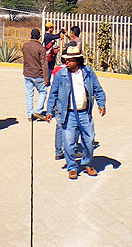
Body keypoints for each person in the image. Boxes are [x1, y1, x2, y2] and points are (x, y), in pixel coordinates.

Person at [45, 45, 106, 180]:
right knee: (69, 142)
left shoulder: (88, 73)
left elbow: (98, 89)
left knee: (89, 140)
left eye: (70, 60)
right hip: (68, 114)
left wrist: (101, 104)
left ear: (77, 60)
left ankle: (87, 163)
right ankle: (72, 167)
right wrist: (49, 111)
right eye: (66, 59)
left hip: (84, 113)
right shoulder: (61, 75)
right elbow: (53, 94)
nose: (67, 62)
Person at [23, 28, 50, 121]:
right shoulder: (41, 48)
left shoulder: (25, 46)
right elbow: (44, 64)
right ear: (39, 37)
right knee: (43, 92)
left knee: (29, 94)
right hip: (38, 74)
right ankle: (38, 111)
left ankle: (30, 114)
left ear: (30, 35)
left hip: (27, 73)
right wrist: (46, 78)